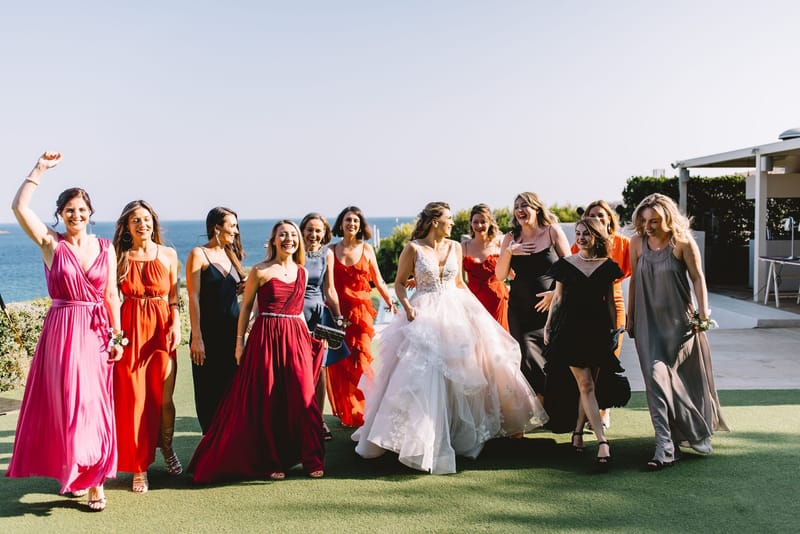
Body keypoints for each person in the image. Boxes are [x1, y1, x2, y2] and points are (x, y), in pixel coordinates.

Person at [353, 202, 548, 474]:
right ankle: (421, 439)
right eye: (448, 219)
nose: (453, 223)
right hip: (424, 312)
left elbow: (459, 284)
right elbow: (398, 282)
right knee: (423, 374)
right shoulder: (413, 248)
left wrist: (475, 313)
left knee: (463, 372)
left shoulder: (456, 246)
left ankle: (456, 435)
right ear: (435, 221)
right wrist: (407, 306)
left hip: (455, 309)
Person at [7, 152, 123, 511]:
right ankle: (76, 472)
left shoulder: (106, 248)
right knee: (68, 407)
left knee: (94, 406)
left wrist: (118, 337)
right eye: (69, 210)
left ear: (90, 213)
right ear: (61, 214)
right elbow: (18, 208)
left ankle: (94, 482)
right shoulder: (50, 244)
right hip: (62, 333)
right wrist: (39, 169)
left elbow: (110, 295)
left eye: (82, 209)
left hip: (96, 333)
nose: (76, 215)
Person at [189, 220, 325, 482]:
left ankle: (312, 458)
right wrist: (239, 342)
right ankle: (271, 461)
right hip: (266, 338)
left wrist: (310, 339)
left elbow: (299, 312)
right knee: (268, 400)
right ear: (273, 240)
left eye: (293, 235)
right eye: (283, 234)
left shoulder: (302, 271)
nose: (289, 239)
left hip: (296, 337)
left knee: (304, 398)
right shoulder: (260, 271)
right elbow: (246, 308)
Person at [627, 193, 729, 471]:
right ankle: (665, 446)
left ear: (668, 219)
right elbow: (635, 280)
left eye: (654, 221)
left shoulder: (683, 243)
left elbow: (698, 279)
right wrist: (631, 316)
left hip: (679, 325)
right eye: (644, 220)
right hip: (648, 321)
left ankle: (690, 431)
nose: (648, 226)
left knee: (682, 382)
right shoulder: (637, 244)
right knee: (655, 379)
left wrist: (703, 314)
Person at [112, 200, 183, 493]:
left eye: (146, 219)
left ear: (154, 221)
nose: (143, 224)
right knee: (136, 402)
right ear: (127, 227)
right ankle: (139, 466)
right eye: (136, 220)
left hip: (161, 332)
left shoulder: (168, 253)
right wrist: (116, 338)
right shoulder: (119, 256)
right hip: (130, 335)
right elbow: (113, 300)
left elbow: (174, 298)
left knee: (164, 399)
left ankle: (166, 448)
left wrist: (177, 325)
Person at [544, 218, 622, 471]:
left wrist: (613, 331)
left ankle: (577, 434)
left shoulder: (608, 266)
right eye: (577, 233)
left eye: (586, 234)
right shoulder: (565, 265)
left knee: (588, 387)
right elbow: (558, 298)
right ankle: (602, 442)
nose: (580, 238)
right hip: (569, 331)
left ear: (597, 236)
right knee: (586, 384)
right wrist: (548, 326)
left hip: (598, 331)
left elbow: (610, 302)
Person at [326, 206, 395, 428]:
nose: (351, 224)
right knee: (341, 364)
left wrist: (390, 301)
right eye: (348, 220)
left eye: (355, 221)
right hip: (337, 313)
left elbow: (379, 279)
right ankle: (349, 411)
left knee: (362, 361)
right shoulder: (330, 249)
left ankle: (368, 408)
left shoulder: (366, 249)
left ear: (360, 225)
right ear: (341, 223)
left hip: (361, 315)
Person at [496, 192, 571, 396]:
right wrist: (510, 251)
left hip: (552, 309)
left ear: (537, 208)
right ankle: (541, 402)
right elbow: (500, 274)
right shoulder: (511, 238)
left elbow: (571, 268)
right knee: (526, 356)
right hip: (520, 309)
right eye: (517, 206)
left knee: (553, 357)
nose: (520, 210)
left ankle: (556, 404)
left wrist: (555, 293)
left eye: (525, 205)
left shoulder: (552, 231)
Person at [571, 200, 631, 429]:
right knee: (588, 363)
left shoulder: (623, 244)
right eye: (592, 214)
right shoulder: (580, 244)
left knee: (608, 360)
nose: (596, 218)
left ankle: (603, 410)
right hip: (586, 307)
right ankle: (588, 411)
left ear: (609, 220)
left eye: (601, 215)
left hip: (614, 304)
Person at [186, 207, 247, 434]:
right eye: (232, 226)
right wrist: (197, 337)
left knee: (232, 390)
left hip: (232, 333)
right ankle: (210, 445)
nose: (236, 231)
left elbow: (228, 292)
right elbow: (193, 297)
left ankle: (229, 447)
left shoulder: (232, 254)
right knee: (208, 391)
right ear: (216, 228)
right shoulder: (198, 254)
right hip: (208, 335)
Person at [299, 213, 343, 441]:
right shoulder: (294, 252)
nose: (313, 235)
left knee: (320, 368)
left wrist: (338, 318)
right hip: (295, 315)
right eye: (309, 230)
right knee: (297, 368)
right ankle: (297, 418)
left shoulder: (327, 254)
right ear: (302, 231)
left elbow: (331, 289)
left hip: (319, 315)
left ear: (325, 233)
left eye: (318, 231)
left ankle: (319, 420)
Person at [461, 203, 509, 329]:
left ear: (490, 223)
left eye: (483, 222)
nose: (479, 225)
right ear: (471, 223)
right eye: (475, 222)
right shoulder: (463, 247)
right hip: (473, 302)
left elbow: (511, 271)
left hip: (497, 301)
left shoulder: (499, 244)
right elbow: (458, 278)